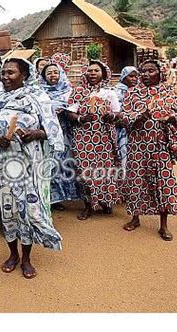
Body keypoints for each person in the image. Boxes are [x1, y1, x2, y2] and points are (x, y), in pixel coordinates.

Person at [0, 58, 64, 279]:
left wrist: (34, 134)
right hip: (5, 165)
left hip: (30, 165)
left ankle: (26, 258)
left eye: (11, 73)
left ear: (24, 75)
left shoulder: (38, 98)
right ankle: (12, 254)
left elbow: (51, 130)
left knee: (28, 209)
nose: (5, 77)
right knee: (8, 210)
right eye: (3, 73)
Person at [121, 60, 177, 241]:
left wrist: (171, 117)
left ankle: (163, 225)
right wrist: (140, 116)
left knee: (162, 182)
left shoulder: (169, 92)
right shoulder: (132, 93)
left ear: (160, 72)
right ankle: (135, 218)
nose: (146, 74)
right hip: (138, 145)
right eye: (143, 71)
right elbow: (124, 118)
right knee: (136, 180)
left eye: (151, 71)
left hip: (161, 145)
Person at [66, 60, 121, 220]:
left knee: (106, 171)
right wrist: (81, 118)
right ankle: (88, 206)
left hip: (104, 137)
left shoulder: (109, 92)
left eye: (96, 70)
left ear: (103, 73)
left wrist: (110, 116)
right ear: (85, 73)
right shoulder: (78, 92)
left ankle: (105, 202)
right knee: (86, 172)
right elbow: (70, 113)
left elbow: (118, 114)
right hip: (83, 138)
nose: (92, 73)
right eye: (89, 70)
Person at [39, 62, 80, 210]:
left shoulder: (68, 91)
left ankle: (66, 195)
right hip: (46, 134)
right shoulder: (39, 92)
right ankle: (52, 199)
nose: (53, 75)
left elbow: (75, 107)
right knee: (50, 164)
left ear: (61, 74)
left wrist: (63, 110)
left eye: (55, 72)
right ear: (43, 76)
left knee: (65, 164)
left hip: (65, 133)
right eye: (49, 73)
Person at [115, 66, 139, 171]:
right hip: (120, 129)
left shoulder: (137, 91)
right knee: (121, 153)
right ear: (124, 76)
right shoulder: (116, 91)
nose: (134, 79)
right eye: (131, 76)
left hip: (135, 128)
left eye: (136, 77)